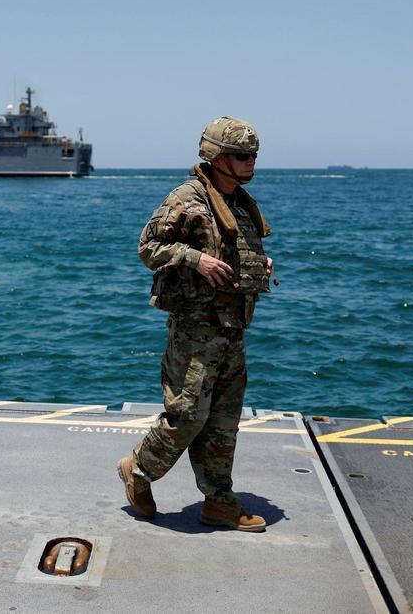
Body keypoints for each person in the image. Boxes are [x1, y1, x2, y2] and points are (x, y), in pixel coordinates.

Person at [117, 116, 273, 532]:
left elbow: (234, 250)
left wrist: (258, 265)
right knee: (187, 415)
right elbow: (148, 247)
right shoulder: (187, 199)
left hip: (232, 328)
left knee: (224, 419)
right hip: (195, 329)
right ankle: (138, 468)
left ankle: (219, 500)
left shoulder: (238, 202)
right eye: (241, 155)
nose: (250, 162)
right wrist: (194, 259)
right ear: (216, 157)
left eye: (253, 155)